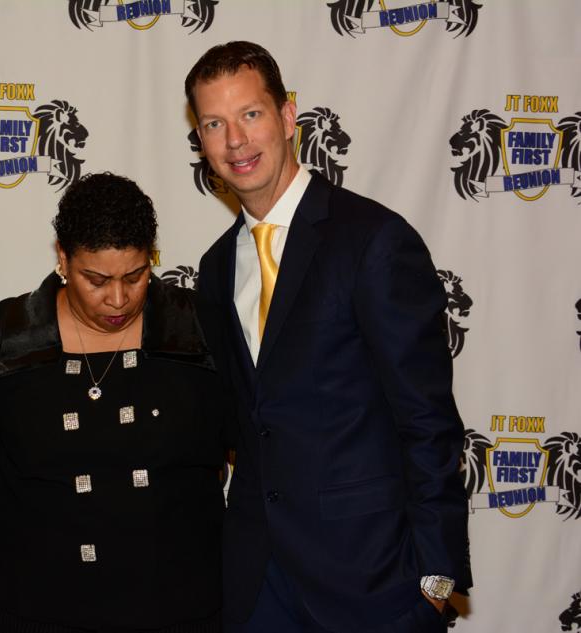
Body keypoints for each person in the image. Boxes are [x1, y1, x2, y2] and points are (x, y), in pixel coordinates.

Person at [186, 42, 470, 632]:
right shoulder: (215, 268)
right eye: (214, 124)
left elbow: (427, 419)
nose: (235, 140)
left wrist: (436, 579)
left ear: (288, 116)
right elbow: (241, 422)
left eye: (250, 114)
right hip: (259, 585)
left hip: (370, 579)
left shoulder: (372, 240)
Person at [0, 172, 229, 633]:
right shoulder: (4, 335)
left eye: (135, 276)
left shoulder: (199, 328)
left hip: (177, 606)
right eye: (96, 279)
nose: (118, 299)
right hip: (33, 606)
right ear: (63, 259)